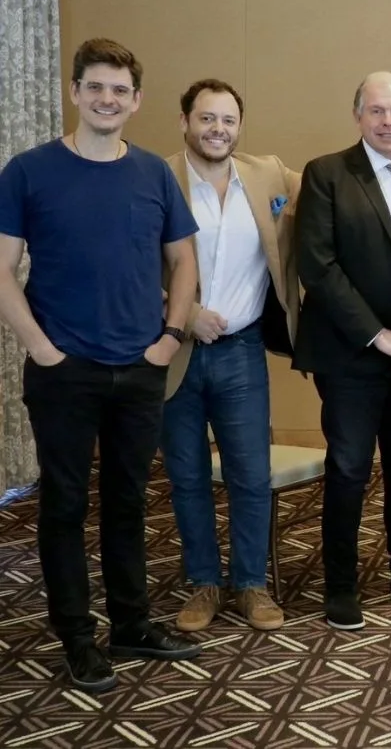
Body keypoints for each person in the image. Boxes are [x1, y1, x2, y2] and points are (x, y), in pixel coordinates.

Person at [0, 38, 201, 693]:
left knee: (128, 502)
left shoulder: (153, 174)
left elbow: (184, 260)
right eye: (95, 87)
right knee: (64, 506)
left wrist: (170, 338)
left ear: (136, 101)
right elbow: (2, 268)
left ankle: (132, 624)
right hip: (64, 370)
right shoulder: (28, 171)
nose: (107, 99)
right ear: (75, 92)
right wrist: (40, 347)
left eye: (119, 90)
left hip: (140, 367)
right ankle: (77, 637)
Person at [294, 71, 391, 631]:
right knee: (349, 467)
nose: (389, 121)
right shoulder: (327, 174)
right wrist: (376, 334)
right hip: (352, 352)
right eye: (377, 111)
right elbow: (318, 266)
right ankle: (341, 585)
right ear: (358, 115)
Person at [160, 79, 302, 634]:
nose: (217, 130)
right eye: (206, 118)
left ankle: (250, 584)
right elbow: (131, 264)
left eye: (228, 120)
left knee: (250, 474)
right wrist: (185, 312)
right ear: (184, 122)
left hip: (241, 351)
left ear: (239, 126)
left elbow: (335, 184)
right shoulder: (158, 178)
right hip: (175, 349)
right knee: (187, 475)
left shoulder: (268, 174)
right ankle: (203, 583)